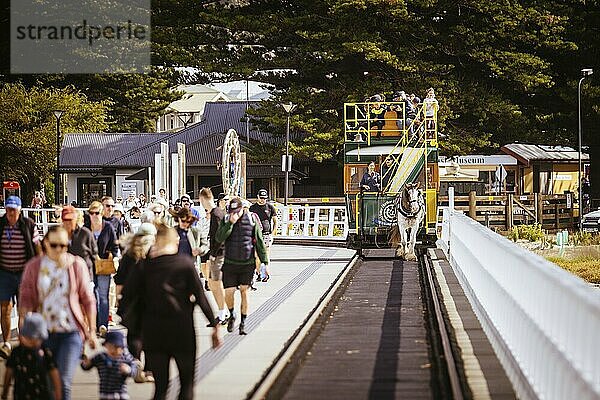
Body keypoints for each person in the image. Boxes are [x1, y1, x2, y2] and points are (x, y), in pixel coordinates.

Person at [123, 224, 221, 400]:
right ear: (173, 242)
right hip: (182, 332)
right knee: (186, 385)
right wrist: (215, 325)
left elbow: (127, 298)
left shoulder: (144, 266)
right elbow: (201, 297)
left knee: (160, 388)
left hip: (153, 334)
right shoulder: (184, 264)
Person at [19, 225, 97, 400]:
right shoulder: (34, 266)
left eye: (63, 245)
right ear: (45, 243)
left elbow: (88, 299)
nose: (59, 249)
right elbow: (26, 298)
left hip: (70, 334)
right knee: (46, 383)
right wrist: (23, 326)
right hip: (42, 334)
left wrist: (92, 330)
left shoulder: (77, 264)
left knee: (63, 381)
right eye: (55, 245)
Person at [216, 197, 269, 335]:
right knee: (229, 292)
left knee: (245, 292)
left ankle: (243, 323)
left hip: (247, 263)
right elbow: (219, 238)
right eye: (232, 211)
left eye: (236, 211)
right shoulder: (226, 220)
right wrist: (229, 225)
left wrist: (264, 263)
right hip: (230, 263)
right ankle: (232, 314)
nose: (234, 214)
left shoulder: (251, 220)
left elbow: (259, 242)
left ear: (242, 209)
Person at [114, 223, 157, 383]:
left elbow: (119, 280)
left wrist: (119, 299)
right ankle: (149, 370)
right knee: (151, 336)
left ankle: (135, 363)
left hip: (131, 300)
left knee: (134, 333)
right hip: (151, 300)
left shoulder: (128, 254)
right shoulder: (155, 254)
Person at [0, 196, 40, 358]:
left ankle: (24, 342)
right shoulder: (0, 225)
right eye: (8, 209)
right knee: (5, 308)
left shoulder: (28, 224)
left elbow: (37, 247)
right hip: (4, 272)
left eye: (13, 210)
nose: (10, 213)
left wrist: (39, 270)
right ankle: (6, 343)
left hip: (24, 272)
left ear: (20, 210)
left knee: (24, 309)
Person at [1, 313, 61, 400]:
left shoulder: (17, 352)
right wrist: (58, 395)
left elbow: (8, 374)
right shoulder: (46, 352)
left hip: (22, 394)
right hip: (42, 395)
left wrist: (5, 392)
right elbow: (55, 376)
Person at [85, 201, 119, 336]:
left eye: (97, 213)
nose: (94, 216)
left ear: (102, 213)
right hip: (89, 267)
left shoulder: (108, 227)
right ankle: (95, 325)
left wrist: (112, 255)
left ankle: (103, 325)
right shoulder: (86, 228)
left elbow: (115, 246)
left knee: (103, 296)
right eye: (91, 213)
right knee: (92, 296)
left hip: (104, 265)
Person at [199, 188, 229, 324]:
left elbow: (219, 237)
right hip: (219, 253)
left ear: (203, 199)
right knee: (212, 283)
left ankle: (223, 313)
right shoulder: (218, 212)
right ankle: (224, 311)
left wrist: (212, 255)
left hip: (219, 254)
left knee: (216, 283)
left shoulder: (216, 214)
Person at [81, 330, 137, 399]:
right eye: (110, 347)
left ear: (122, 348)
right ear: (106, 346)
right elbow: (86, 366)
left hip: (121, 394)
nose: (114, 350)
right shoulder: (101, 357)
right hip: (105, 394)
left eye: (117, 347)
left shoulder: (125, 358)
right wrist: (86, 363)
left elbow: (134, 370)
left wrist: (128, 370)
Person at [62, 205, 98, 280]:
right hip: (64, 277)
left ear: (75, 219)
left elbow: (94, 255)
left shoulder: (85, 234)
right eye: (65, 220)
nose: (68, 223)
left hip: (85, 276)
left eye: (70, 219)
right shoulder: (56, 235)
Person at [249, 189, 277, 282]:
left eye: (264, 198)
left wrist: (272, 234)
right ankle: (259, 273)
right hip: (256, 234)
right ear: (257, 197)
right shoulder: (252, 208)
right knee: (256, 255)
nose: (263, 200)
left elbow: (275, 222)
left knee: (265, 254)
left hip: (266, 235)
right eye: (261, 198)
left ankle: (265, 273)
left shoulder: (270, 207)